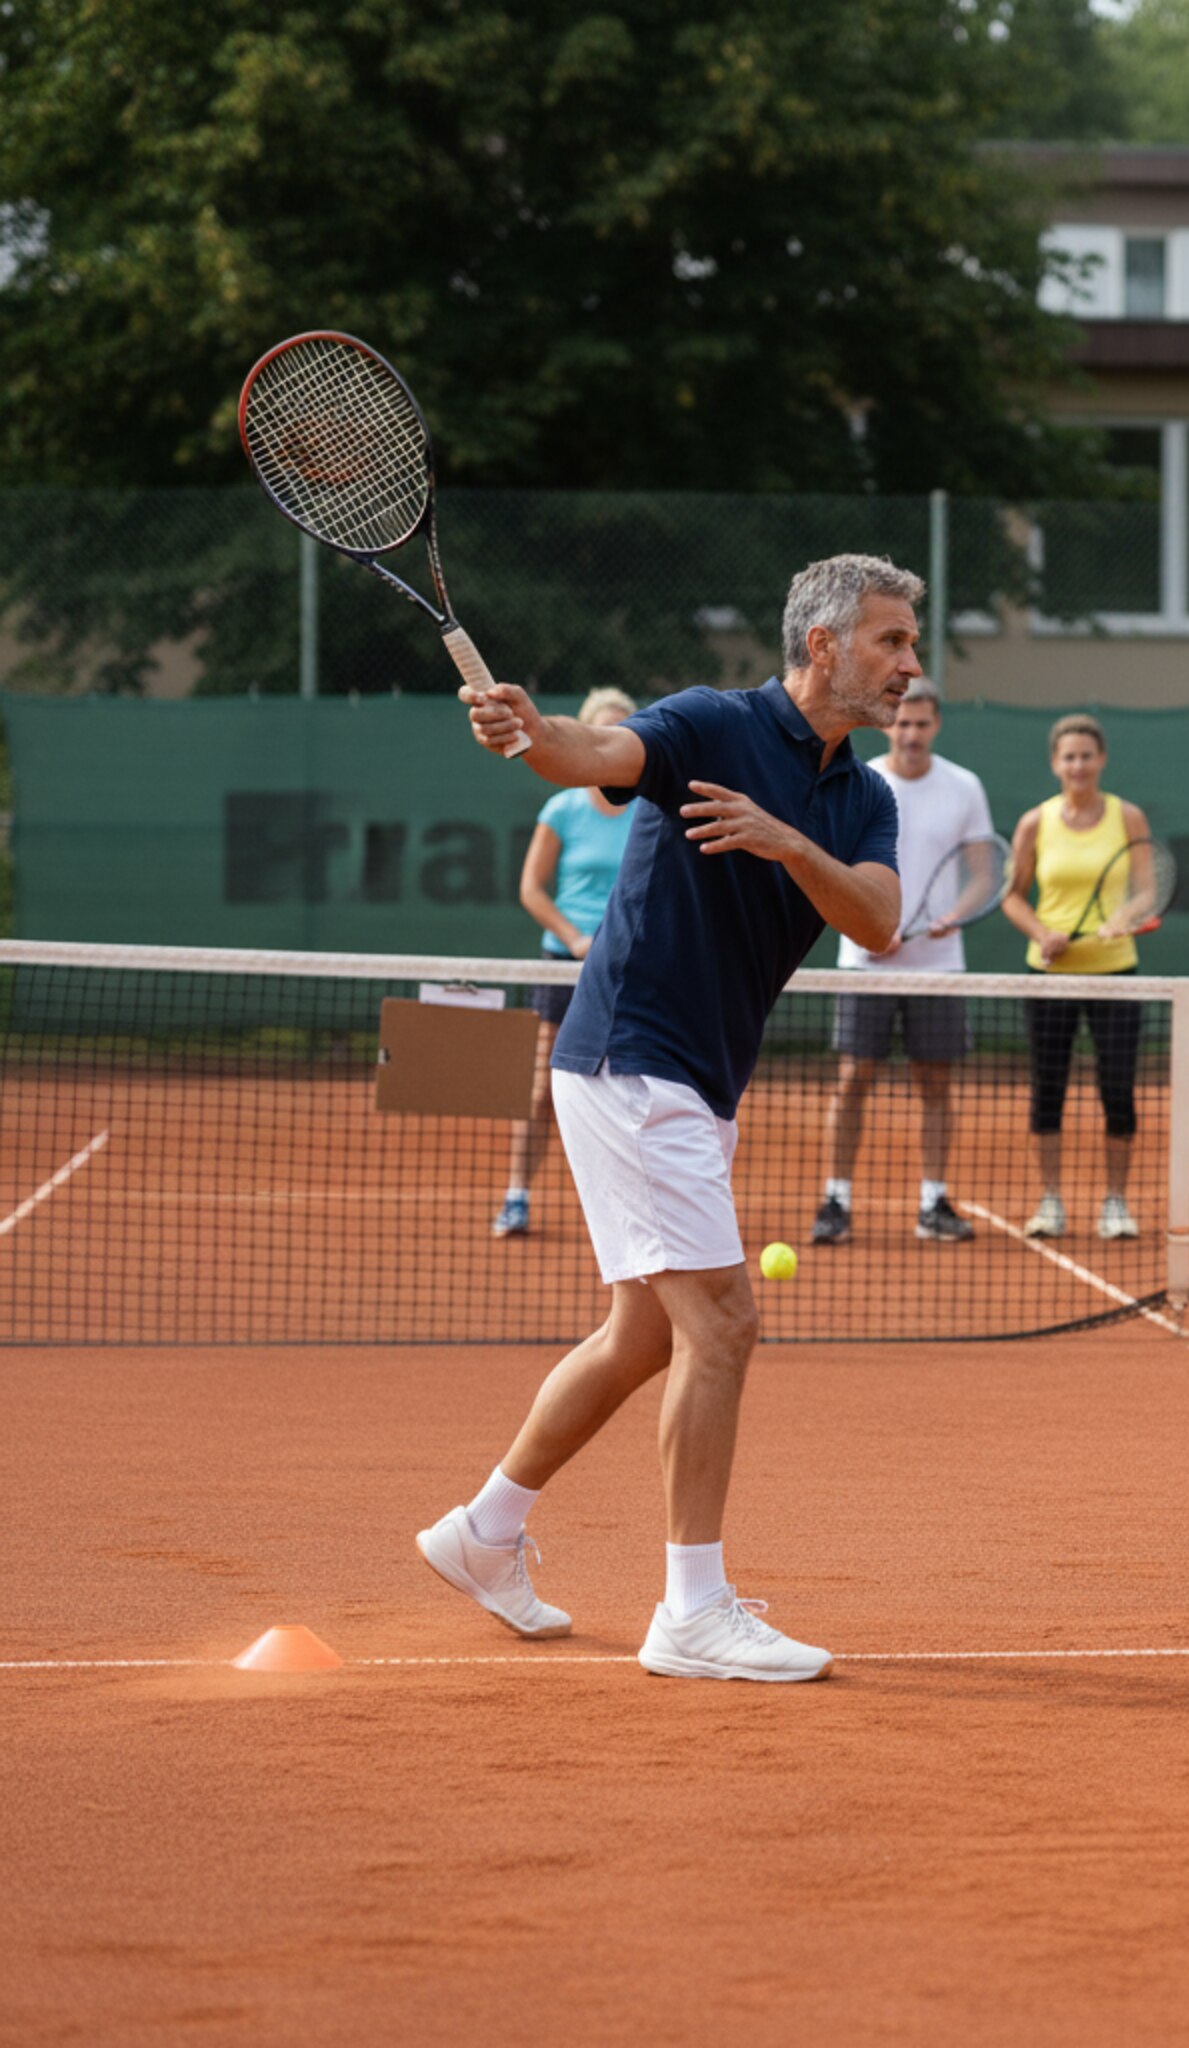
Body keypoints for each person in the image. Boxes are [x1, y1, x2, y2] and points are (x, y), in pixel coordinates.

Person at [419, 554, 919, 1684]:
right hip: (631, 1056)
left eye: (909, 642)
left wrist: (788, 841)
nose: (909, 664)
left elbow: (881, 920)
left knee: (644, 1332)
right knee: (725, 1321)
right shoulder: (707, 723)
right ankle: (692, 1608)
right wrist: (528, 729)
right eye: (890, 640)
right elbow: (589, 753)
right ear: (825, 644)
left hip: (693, 1075)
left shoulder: (864, 793)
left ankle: (483, 1532)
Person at [813, 679, 993, 1247]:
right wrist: (862, 922)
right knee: (852, 1079)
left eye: (921, 724)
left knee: (935, 1082)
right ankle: (836, 1199)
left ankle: (931, 1201)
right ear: (886, 723)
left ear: (935, 725)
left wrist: (954, 915)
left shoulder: (965, 786)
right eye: (901, 723)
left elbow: (985, 873)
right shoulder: (859, 781)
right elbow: (830, 868)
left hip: (938, 963)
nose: (910, 734)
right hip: (865, 961)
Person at [1001, 713, 1155, 1241]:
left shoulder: (1128, 817)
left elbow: (1146, 890)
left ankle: (1115, 1204)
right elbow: (1013, 896)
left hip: (1115, 974)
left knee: (1118, 1089)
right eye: (1069, 756)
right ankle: (1051, 1203)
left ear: (1101, 759)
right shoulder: (1034, 823)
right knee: (1048, 1091)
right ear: (1055, 763)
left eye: (1087, 755)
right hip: (1049, 977)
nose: (1079, 765)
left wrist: (1124, 918)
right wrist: (1042, 933)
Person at [492, 687, 638, 1240]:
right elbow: (531, 889)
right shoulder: (564, 807)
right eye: (603, 730)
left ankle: (628, 1210)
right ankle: (517, 1195)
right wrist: (577, 940)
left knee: (632, 1089)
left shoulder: (651, 806)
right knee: (542, 1089)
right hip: (565, 964)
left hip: (630, 968)